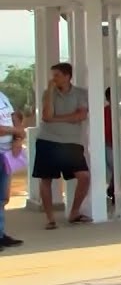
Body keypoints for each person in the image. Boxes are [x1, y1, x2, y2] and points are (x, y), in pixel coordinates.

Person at [34, 62, 92, 229]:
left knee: (84, 176)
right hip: (48, 140)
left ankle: (74, 212)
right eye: (53, 76)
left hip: (72, 142)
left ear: (67, 76)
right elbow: (46, 115)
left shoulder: (81, 93)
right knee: (46, 179)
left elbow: (80, 116)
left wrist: (56, 119)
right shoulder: (48, 93)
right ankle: (50, 218)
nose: (54, 79)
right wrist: (51, 92)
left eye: (57, 75)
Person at [0, 88, 25, 249]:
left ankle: (1, 234)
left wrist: (17, 139)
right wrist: (17, 131)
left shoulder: (2, 96)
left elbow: (14, 116)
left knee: (2, 197)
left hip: (5, 153)